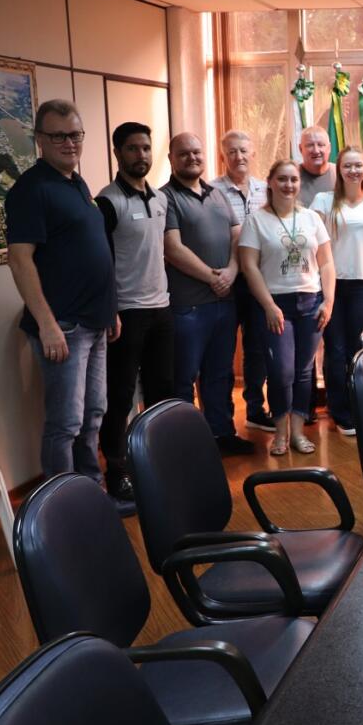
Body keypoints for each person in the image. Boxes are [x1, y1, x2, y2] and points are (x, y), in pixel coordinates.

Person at [6, 99, 119, 497]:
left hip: (94, 321)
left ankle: (91, 494)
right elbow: (20, 260)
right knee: (65, 424)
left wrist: (110, 309)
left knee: (93, 416)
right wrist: (47, 324)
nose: (69, 143)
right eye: (58, 136)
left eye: (75, 135)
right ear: (39, 139)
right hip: (64, 327)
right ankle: (63, 508)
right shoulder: (31, 190)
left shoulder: (76, 182)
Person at [94, 122, 172, 507]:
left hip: (161, 308)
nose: (141, 155)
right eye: (132, 148)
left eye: (145, 148)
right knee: (120, 396)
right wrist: (111, 310)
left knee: (161, 392)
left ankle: (155, 463)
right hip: (126, 313)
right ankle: (117, 472)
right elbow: (101, 262)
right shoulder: (108, 202)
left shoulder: (159, 199)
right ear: (117, 153)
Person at [161, 132, 255, 456]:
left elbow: (237, 237)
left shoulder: (218, 195)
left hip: (224, 303)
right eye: (184, 153)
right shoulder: (166, 198)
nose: (192, 158)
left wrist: (231, 271)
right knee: (183, 378)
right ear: (171, 159)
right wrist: (213, 277)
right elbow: (172, 248)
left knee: (220, 374)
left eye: (197, 152)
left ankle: (221, 434)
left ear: (205, 155)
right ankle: (186, 444)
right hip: (188, 307)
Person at [239, 159, 336, 456]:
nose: (288, 185)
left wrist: (329, 301)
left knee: (304, 371)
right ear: (270, 182)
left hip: (310, 301)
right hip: (275, 304)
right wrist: (268, 305)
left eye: (293, 179)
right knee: (281, 372)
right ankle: (280, 433)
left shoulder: (311, 218)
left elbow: (326, 263)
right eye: (282, 179)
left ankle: (297, 432)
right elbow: (249, 266)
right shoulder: (257, 220)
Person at [310, 147, 363, 437]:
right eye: (348, 166)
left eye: (358, 166)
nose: (353, 171)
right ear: (339, 169)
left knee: (359, 350)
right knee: (335, 350)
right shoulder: (323, 201)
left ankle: (361, 407)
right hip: (331, 286)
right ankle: (339, 411)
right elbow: (314, 246)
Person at [210, 130, 272, 432]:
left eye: (244, 151)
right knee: (222, 351)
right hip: (225, 280)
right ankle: (222, 420)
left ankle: (255, 409)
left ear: (253, 154)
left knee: (257, 347)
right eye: (232, 151)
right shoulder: (211, 191)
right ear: (223, 156)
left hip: (258, 280)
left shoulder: (266, 190)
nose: (239, 157)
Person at [297, 126, 335, 206]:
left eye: (321, 145)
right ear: (300, 149)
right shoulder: (292, 177)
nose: (316, 151)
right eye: (310, 145)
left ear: (329, 148)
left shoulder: (340, 174)